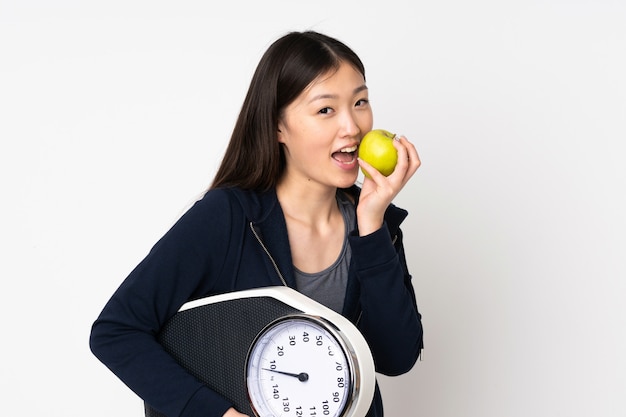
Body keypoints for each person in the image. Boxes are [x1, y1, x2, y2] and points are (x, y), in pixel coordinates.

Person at [90, 30, 423, 417]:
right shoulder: (228, 216)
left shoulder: (376, 229)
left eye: (360, 102)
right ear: (278, 126)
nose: (352, 127)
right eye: (325, 110)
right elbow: (116, 331)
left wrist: (372, 225)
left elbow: (395, 357)